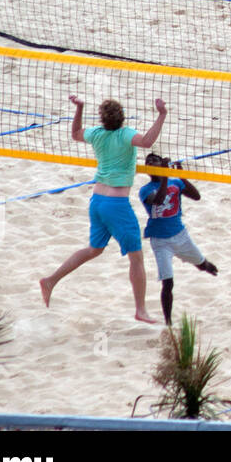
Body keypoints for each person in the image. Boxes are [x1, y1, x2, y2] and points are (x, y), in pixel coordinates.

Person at [39, 95, 169, 324]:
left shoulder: (96, 134)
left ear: (102, 119)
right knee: (136, 258)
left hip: (97, 201)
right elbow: (148, 141)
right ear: (122, 118)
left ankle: (50, 280)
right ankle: (141, 310)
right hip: (116, 205)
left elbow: (76, 133)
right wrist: (161, 115)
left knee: (93, 250)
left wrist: (79, 108)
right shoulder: (126, 133)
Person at [138, 153, 219, 326]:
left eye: (154, 161)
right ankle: (168, 323)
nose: (151, 164)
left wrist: (181, 175)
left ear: (161, 164)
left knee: (202, 265)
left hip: (181, 236)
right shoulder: (145, 190)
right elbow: (158, 201)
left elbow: (197, 196)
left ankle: (205, 265)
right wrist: (166, 176)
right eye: (148, 162)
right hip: (160, 241)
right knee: (168, 283)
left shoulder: (175, 182)